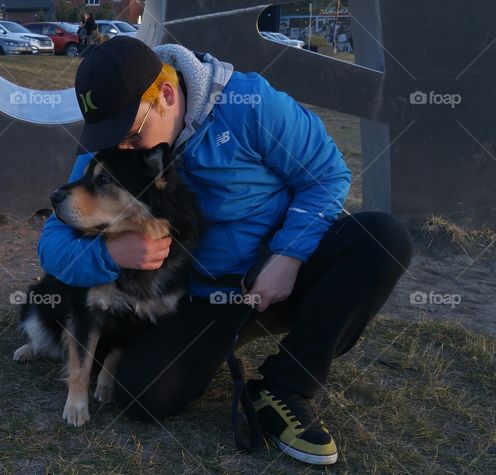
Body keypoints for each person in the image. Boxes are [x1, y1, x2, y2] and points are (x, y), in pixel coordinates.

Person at [38, 37, 413, 465]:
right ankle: (218, 343)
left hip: (276, 276)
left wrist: (288, 257)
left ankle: (286, 387)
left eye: (130, 133)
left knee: (383, 237)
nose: (120, 147)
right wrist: (111, 257)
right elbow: (52, 243)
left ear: (164, 95)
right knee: (144, 396)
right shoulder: (113, 141)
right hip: (197, 297)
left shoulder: (250, 103)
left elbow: (327, 175)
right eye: (107, 137)